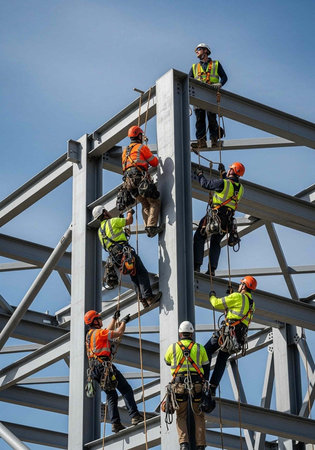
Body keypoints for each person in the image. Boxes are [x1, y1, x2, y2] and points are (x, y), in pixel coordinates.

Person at [84, 309, 143, 433]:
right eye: (99, 319)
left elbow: (106, 332)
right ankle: (135, 416)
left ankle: (115, 423)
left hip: (96, 370)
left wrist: (114, 319)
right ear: (95, 321)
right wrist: (123, 322)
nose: (101, 321)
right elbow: (118, 333)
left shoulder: (90, 334)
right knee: (126, 389)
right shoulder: (99, 334)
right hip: (104, 367)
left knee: (112, 395)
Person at [92, 205, 161, 308]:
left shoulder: (100, 231)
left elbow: (110, 240)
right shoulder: (113, 221)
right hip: (124, 252)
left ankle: (143, 300)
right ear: (105, 213)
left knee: (134, 275)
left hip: (116, 258)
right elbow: (129, 221)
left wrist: (123, 233)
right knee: (141, 272)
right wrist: (130, 212)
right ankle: (149, 297)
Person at [204, 276, 257, 396]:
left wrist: (211, 295)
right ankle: (212, 387)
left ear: (244, 286)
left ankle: (204, 380)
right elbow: (238, 313)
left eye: (241, 284)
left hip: (228, 332)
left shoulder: (238, 297)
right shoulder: (252, 304)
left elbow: (216, 303)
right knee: (222, 359)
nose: (239, 286)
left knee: (206, 350)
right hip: (237, 338)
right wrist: (230, 301)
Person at [164, 321, 210, 450]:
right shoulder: (200, 348)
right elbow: (206, 366)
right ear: (192, 333)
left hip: (179, 386)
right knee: (198, 414)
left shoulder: (172, 348)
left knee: (181, 415)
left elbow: (167, 361)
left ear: (180, 334)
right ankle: (200, 445)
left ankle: (184, 443)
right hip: (196, 386)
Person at [193, 161, 245, 275]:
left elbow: (205, 184)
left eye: (230, 169)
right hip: (227, 221)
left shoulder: (223, 183)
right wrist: (223, 172)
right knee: (215, 242)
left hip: (216, 216)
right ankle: (212, 270)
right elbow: (232, 184)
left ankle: (196, 266)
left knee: (199, 236)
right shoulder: (240, 188)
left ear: (232, 170)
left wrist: (200, 174)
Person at [122, 125, 164, 238]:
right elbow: (154, 162)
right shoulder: (141, 147)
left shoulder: (125, 151)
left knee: (145, 204)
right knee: (154, 202)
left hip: (129, 183)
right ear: (139, 135)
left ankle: (148, 227)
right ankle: (151, 227)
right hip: (139, 180)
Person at [189, 43, 228, 148]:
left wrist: (220, 84)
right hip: (198, 96)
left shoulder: (216, 64)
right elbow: (188, 81)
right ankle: (201, 141)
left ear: (205, 51)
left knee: (212, 118)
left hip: (211, 95)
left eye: (198, 49)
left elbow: (224, 77)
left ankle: (214, 139)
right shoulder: (194, 67)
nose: (196, 51)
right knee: (199, 120)